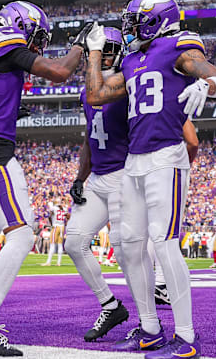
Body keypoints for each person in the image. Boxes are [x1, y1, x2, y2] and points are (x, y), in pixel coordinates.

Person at [84, 0, 216, 358]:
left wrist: (206, 85)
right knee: (130, 247)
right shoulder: (132, 59)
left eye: (134, 20)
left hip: (167, 156)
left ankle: (186, 337)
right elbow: (97, 95)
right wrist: (97, 53)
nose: (129, 27)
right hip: (134, 160)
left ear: (155, 19)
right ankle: (149, 327)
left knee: (164, 245)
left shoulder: (178, 46)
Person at [0, 0, 86, 356]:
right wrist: (79, 47)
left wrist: (7, 104)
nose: (37, 44)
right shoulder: (4, 39)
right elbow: (60, 71)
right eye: (38, 35)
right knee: (23, 233)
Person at [64, 26, 130, 341]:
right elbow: (90, 138)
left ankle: (151, 318)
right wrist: (80, 177)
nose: (102, 56)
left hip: (125, 175)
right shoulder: (86, 92)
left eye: (108, 50)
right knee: (74, 242)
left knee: (125, 248)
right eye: (98, 50)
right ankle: (110, 304)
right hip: (99, 178)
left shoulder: (128, 84)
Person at [42, 201, 68, 266]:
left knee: (52, 244)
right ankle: (59, 262)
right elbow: (66, 219)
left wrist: (51, 223)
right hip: (62, 227)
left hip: (56, 227)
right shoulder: (64, 209)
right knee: (59, 245)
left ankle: (48, 262)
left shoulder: (54, 208)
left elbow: (49, 215)